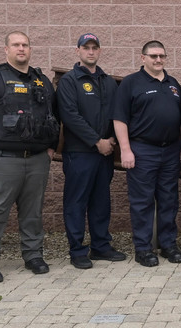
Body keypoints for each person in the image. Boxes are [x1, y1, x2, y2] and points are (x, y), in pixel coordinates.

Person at [0, 31, 59, 283]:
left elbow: (53, 115)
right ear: (6, 49)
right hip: (1, 159)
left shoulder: (42, 81)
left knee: (33, 212)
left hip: (37, 158)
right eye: (16, 45)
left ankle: (33, 255)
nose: (21, 49)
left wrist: (51, 147)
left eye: (25, 45)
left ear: (30, 49)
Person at [112, 40, 181, 267]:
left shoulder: (173, 83)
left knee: (169, 199)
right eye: (153, 56)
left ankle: (168, 245)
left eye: (162, 56)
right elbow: (120, 119)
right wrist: (125, 150)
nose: (158, 60)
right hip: (142, 150)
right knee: (142, 201)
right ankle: (144, 249)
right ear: (142, 58)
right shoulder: (131, 83)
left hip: (171, 150)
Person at [57, 33, 126, 269]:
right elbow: (70, 116)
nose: (90, 51)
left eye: (94, 47)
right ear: (77, 51)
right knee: (76, 202)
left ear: (99, 51)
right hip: (80, 153)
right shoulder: (69, 81)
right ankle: (77, 250)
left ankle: (100, 246)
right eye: (85, 47)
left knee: (101, 201)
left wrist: (111, 140)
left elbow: (117, 114)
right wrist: (97, 141)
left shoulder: (108, 81)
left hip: (104, 153)